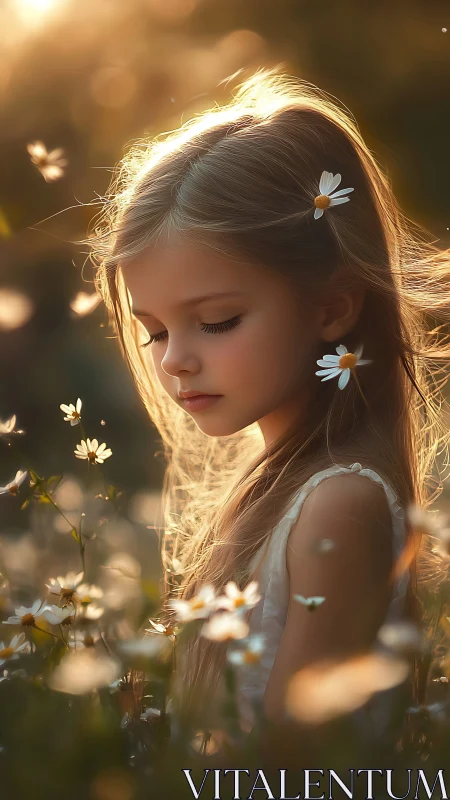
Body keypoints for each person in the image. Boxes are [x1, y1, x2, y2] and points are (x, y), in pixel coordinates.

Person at [87, 67, 450, 750]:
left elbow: (290, 768)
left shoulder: (340, 503)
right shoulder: (281, 495)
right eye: (155, 331)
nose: (175, 360)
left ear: (332, 308)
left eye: (217, 321)